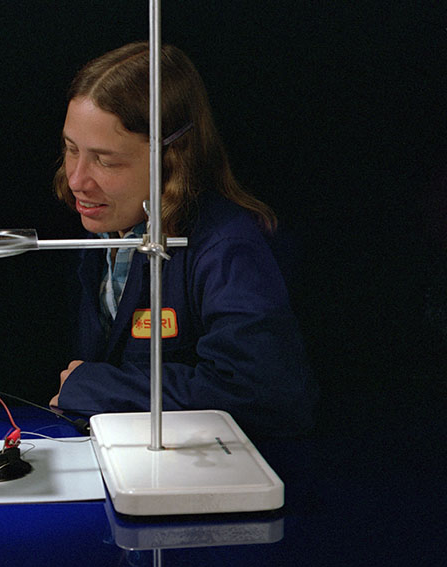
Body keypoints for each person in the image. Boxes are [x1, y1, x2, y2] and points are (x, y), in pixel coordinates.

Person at [49, 42, 317, 437]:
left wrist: (96, 387)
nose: (76, 180)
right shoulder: (106, 227)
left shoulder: (227, 246)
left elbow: (264, 393)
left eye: (106, 160)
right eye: (71, 150)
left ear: (173, 157)